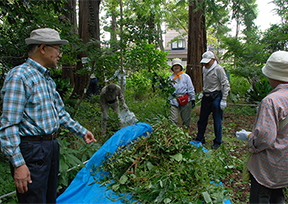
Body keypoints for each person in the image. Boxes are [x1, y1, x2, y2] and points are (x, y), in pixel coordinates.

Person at [0, 28, 96, 204]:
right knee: (34, 199)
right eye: (58, 49)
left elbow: (59, 113)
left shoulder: (46, 79)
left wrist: (82, 131)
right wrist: (19, 164)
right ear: (43, 48)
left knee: (49, 197)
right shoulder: (20, 76)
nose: (59, 54)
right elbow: (9, 125)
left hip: (50, 146)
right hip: (32, 149)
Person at [236, 51, 288, 203]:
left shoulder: (271, 101)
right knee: (278, 197)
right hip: (284, 166)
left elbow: (265, 138)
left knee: (261, 198)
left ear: (272, 76)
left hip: (268, 167)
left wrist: (250, 138)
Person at [195, 51, 230, 149]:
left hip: (216, 96)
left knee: (217, 120)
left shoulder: (218, 69)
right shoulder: (204, 69)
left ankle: (217, 141)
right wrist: (203, 92)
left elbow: (225, 84)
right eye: (204, 62)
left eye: (208, 62)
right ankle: (200, 138)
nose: (206, 64)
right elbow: (205, 82)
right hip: (206, 97)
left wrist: (224, 99)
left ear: (213, 60)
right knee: (202, 119)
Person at [169, 58, 196, 131]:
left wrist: (192, 98)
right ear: (172, 67)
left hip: (185, 99)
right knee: (173, 119)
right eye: (175, 65)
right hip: (174, 100)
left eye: (178, 65)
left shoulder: (186, 77)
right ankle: (173, 133)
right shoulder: (170, 78)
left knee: (186, 119)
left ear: (181, 67)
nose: (176, 67)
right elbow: (167, 89)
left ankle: (185, 134)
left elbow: (190, 88)